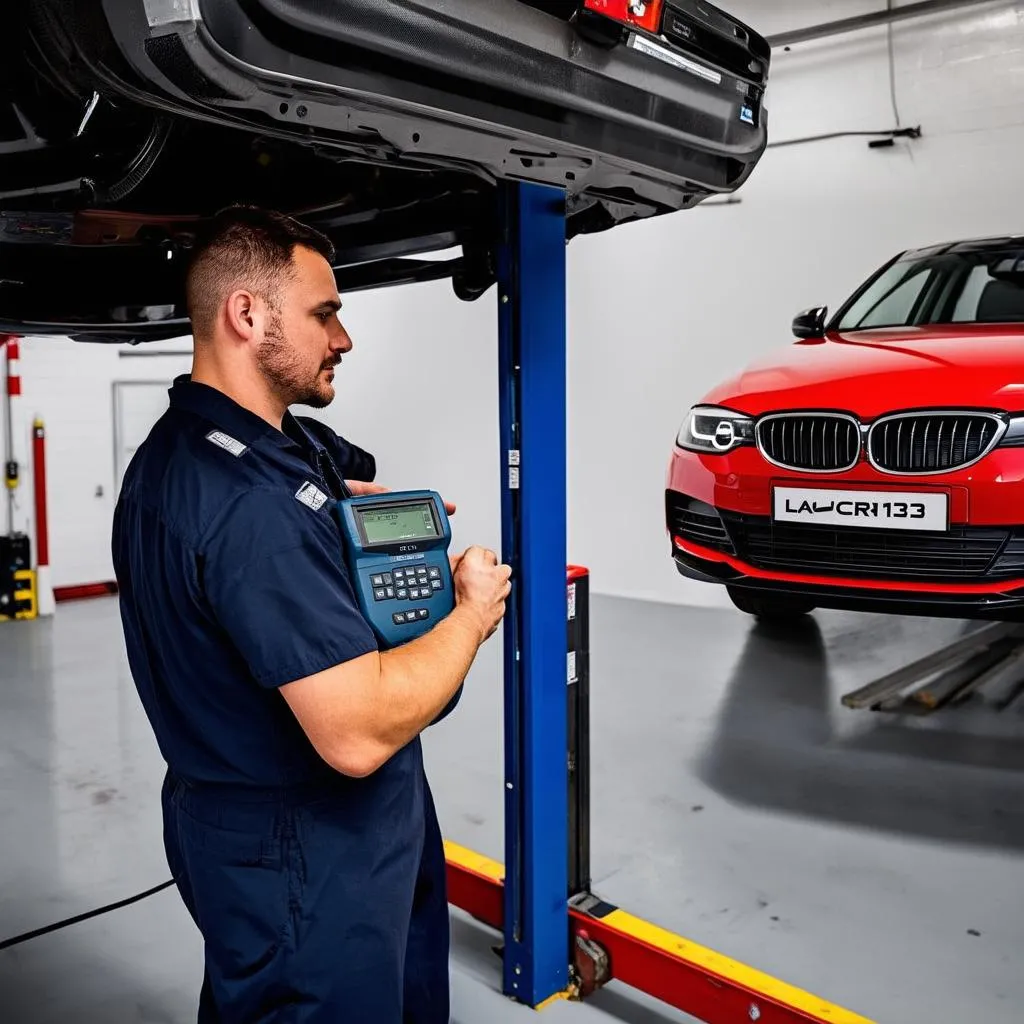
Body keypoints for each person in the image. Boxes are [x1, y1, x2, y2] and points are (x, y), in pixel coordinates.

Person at [111, 205, 511, 1023]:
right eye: (325, 313)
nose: (344, 338)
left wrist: (342, 510)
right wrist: (470, 613)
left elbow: (336, 473)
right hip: (308, 843)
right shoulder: (247, 509)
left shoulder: (203, 450)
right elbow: (357, 734)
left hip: (287, 831)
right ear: (247, 314)